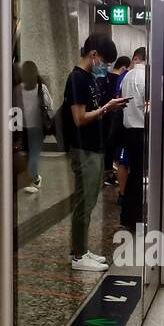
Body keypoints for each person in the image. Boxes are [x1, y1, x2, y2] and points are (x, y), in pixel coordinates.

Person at [63, 34, 124, 270]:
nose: (106, 68)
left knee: (88, 200)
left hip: (94, 147)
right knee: (84, 201)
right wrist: (105, 108)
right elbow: (79, 118)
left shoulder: (89, 78)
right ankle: (79, 256)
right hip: (84, 148)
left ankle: (79, 249)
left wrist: (107, 107)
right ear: (94, 54)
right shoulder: (77, 79)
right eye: (105, 62)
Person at [14, 59, 53, 196]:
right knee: (31, 154)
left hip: (32, 128)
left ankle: (35, 179)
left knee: (33, 156)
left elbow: (16, 109)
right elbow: (50, 106)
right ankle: (34, 177)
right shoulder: (36, 88)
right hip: (30, 128)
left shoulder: (23, 88)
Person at [119, 45, 147, 228]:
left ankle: (129, 214)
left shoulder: (127, 76)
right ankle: (133, 215)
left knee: (133, 172)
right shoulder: (146, 77)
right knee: (138, 174)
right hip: (141, 129)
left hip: (128, 128)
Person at [103, 56, 131, 184]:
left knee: (108, 146)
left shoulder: (103, 79)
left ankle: (108, 173)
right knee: (117, 148)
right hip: (116, 118)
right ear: (124, 67)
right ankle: (112, 173)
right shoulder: (122, 80)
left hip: (103, 116)